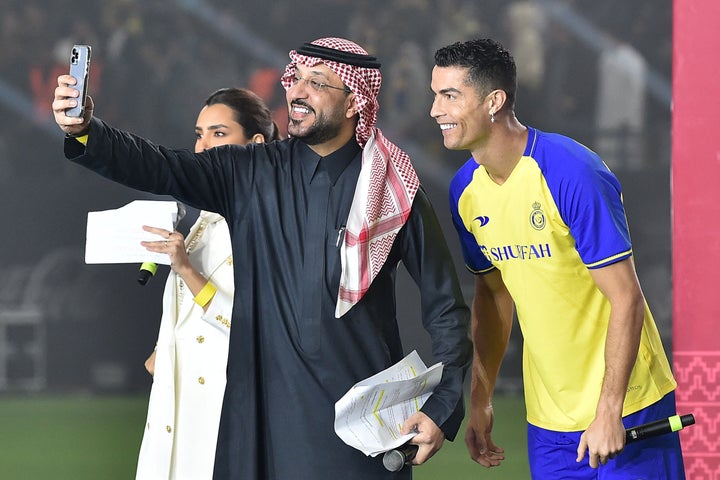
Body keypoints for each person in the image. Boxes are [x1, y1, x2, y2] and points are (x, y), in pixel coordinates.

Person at [53, 37, 472, 480]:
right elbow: (159, 165)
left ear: (355, 102)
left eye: (317, 83)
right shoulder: (250, 172)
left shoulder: (391, 192)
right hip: (259, 429)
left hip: (355, 437)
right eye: (295, 80)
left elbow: (447, 311)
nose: (296, 91)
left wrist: (442, 407)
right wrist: (86, 131)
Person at [430, 38, 684, 478]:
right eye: (435, 95)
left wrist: (609, 411)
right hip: (549, 426)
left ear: (494, 101)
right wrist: (481, 399)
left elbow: (626, 298)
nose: (435, 110)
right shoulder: (464, 192)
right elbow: (492, 298)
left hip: (630, 407)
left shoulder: (571, 171)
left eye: (450, 96)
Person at [136, 87, 280, 479]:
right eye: (199, 134)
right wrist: (164, 350)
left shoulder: (266, 222)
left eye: (219, 133)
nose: (203, 146)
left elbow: (252, 324)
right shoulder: (203, 217)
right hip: (177, 399)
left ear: (255, 144)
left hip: (220, 403)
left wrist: (186, 269)